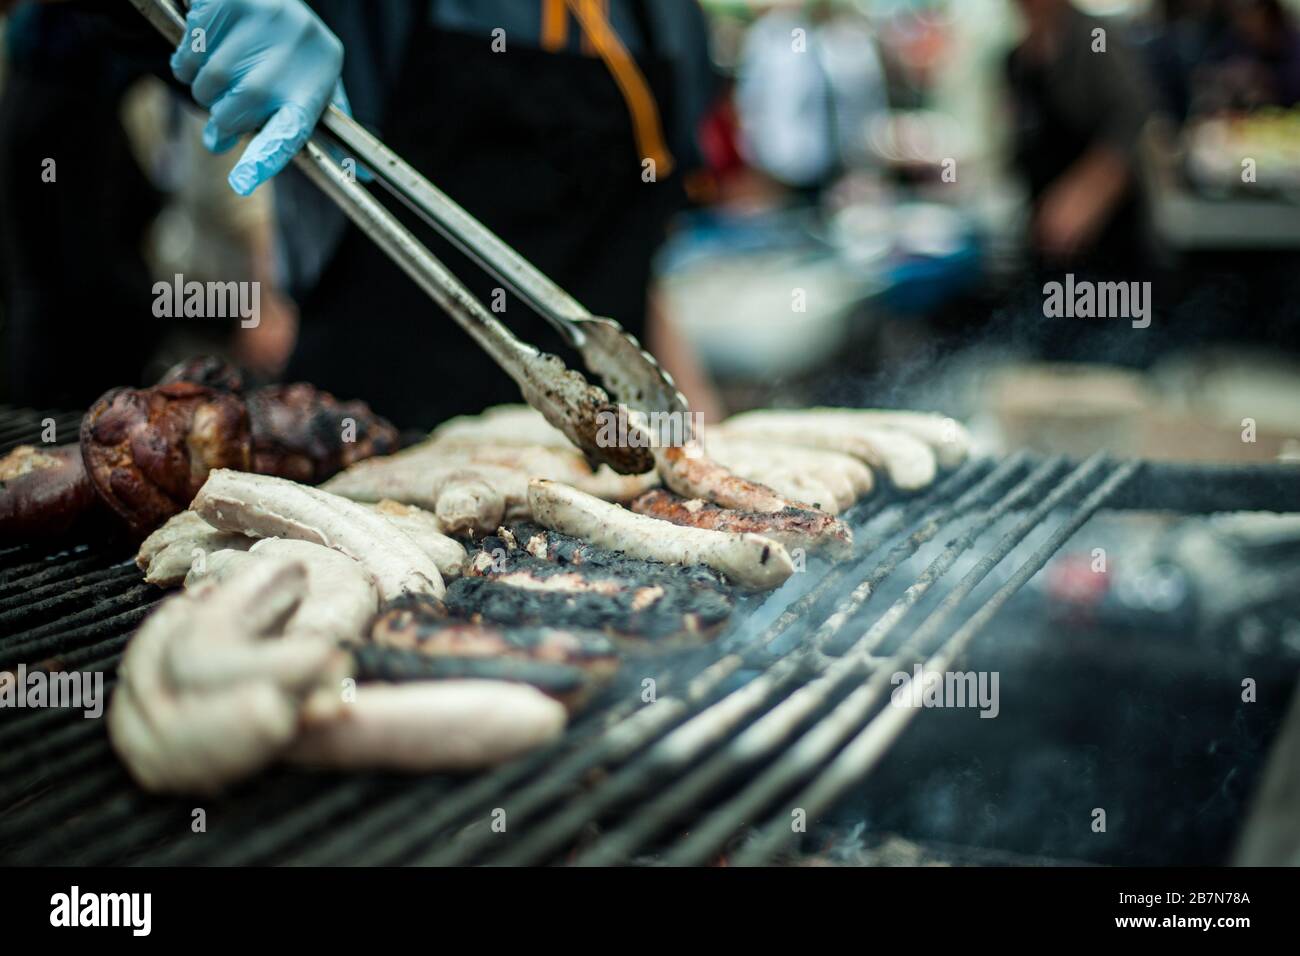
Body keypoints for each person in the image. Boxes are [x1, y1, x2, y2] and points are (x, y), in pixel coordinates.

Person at [112, 0, 723, 430]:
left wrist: (698, 428)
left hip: (595, 461)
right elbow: (86, 28)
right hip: (366, 445)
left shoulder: (667, 14)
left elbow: (640, 251)